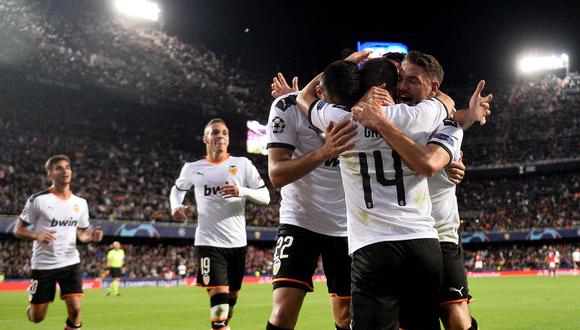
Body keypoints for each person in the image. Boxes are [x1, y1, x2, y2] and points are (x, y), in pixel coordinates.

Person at [296, 55, 455, 330]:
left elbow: (304, 96)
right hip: (423, 243)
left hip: (373, 246)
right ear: (393, 85)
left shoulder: (341, 119)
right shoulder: (419, 115)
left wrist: (343, 64)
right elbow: (447, 102)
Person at [354, 52, 491, 330]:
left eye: (411, 81)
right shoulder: (381, 120)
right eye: (399, 79)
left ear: (434, 89)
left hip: (439, 232)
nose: (402, 87)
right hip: (400, 236)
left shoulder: (443, 121)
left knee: (456, 319)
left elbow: (430, 159)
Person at [265, 69, 359, 330]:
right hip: (300, 219)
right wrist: (324, 152)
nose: (338, 113)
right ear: (318, 92)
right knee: (283, 312)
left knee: (346, 317)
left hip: (347, 227)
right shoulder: (287, 106)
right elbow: (276, 174)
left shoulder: (358, 111)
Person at [169, 118, 271, 330]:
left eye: (224, 133)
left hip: (237, 245)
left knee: (230, 301)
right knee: (219, 306)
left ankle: (225, 317)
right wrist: (177, 207)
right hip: (208, 243)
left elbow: (265, 196)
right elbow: (177, 189)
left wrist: (240, 190)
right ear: (206, 138)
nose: (221, 136)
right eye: (215, 132)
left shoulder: (243, 164)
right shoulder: (193, 168)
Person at [13, 154, 103, 330]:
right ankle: (32, 307)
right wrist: (36, 235)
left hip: (70, 262)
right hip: (43, 264)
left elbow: (82, 234)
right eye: (59, 168)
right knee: (37, 317)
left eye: (68, 167)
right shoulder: (38, 200)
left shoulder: (80, 203)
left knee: (76, 308)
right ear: (50, 174)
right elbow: (18, 230)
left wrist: (91, 237)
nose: (65, 171)